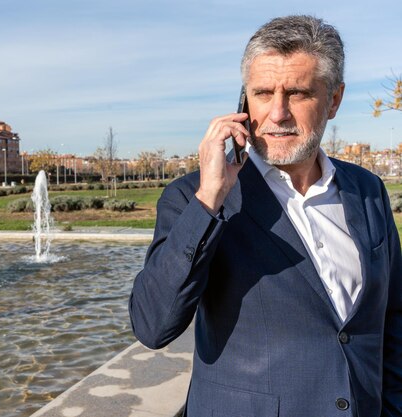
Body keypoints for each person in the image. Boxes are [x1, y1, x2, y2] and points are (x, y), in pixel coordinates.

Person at [129, 15, 402, 417]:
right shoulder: (191, 197)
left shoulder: (367, 190)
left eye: (297, 93)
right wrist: (210, 200)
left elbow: (393, 316)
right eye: (261, 93)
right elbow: (153, 326)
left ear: (335, 100)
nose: (277, 113)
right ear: (243, 102)